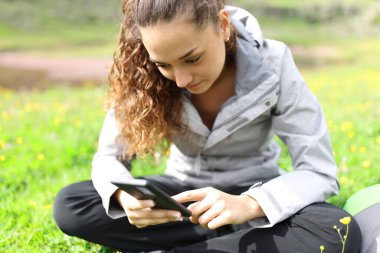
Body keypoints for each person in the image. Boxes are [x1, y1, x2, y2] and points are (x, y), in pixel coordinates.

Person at [53, 0, 362, 252]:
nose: (181, 79)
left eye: (193, 58)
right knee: (72, 204)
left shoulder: (275, 61)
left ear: (223, 25)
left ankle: (204, 239)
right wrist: (123, 197)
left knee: (333, 228)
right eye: (164, 65)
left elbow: (318, 170)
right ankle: (229, 242)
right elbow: (110, 158)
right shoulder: (143, 71)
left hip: (253, 193)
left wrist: (250, 203)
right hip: (180, 201)